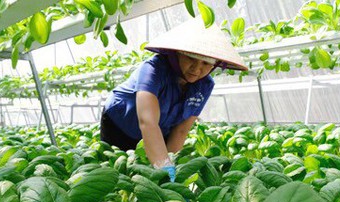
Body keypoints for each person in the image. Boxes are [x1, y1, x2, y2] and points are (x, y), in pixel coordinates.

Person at [100, 18, 248, 181]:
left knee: (155, 172)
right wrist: (166, 169)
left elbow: (181, 130)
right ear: (176, 53)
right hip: (120, 123)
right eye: (191, 58)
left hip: (159, 129)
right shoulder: (153, 70)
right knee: (119, 174)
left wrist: (169, 172)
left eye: (206, 63)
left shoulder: (205, 85)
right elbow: (148, 123)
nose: (197, 69)